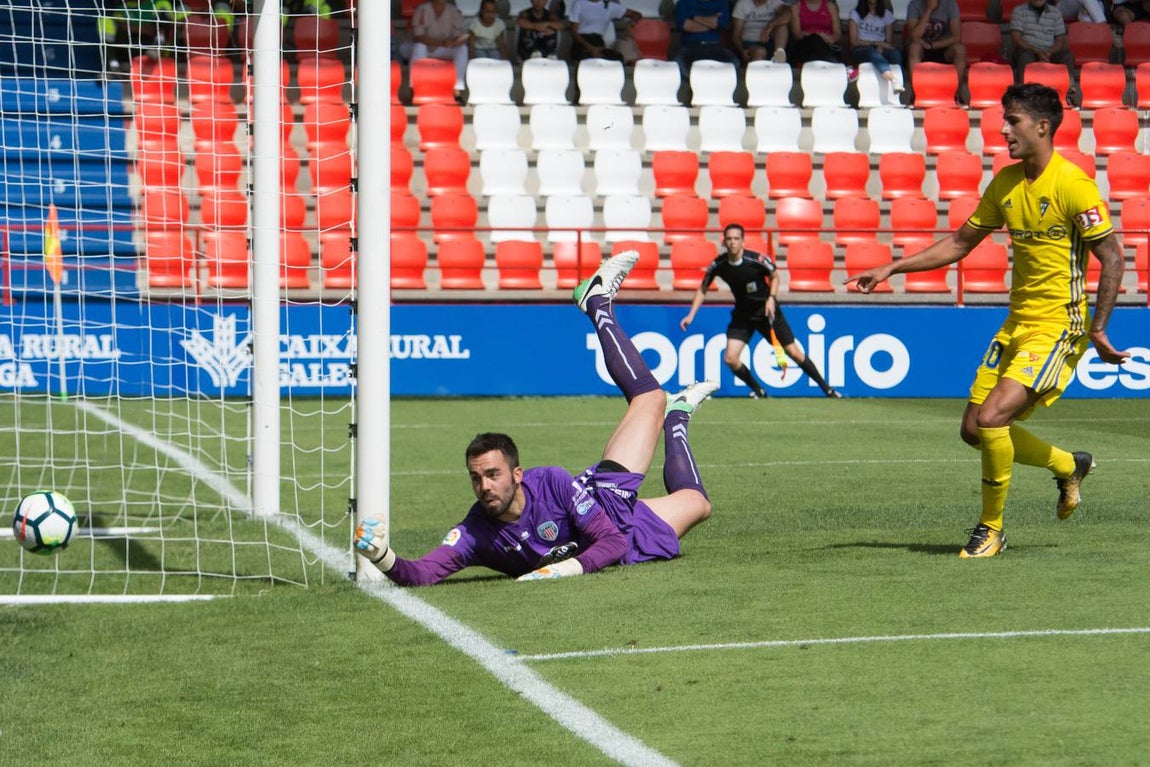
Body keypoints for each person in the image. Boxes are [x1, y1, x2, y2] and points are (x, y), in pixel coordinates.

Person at [846, 83, 1129, 558]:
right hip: (1016, 324)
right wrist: (892, 266)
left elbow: (1113, 258)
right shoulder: (1005, 183)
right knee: (975, 429)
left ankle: (991, 529)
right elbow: (959, 243)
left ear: (1042, 126)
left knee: (995, 416)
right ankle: (1068, 465)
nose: (1002, 129)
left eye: (1012, 121)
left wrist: (1098, 327)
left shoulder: (1074, 185)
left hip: (1059, 326)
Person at [354, 251, 721, 585]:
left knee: (648, 396)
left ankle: (597, 303)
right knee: (699, 504)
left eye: (493, 474)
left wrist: (561, 569)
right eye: (476, 477)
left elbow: (609, 540)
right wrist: (382, 557)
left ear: (517, 474)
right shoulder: (476, 533)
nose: (484, 486)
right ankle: (677, 419)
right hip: (625, 537)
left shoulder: (551, 482)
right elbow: (422, 572)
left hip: (607, 504)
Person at [679, 224, 841, 400]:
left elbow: (775, 277)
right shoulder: (719, 264)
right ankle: (760, 392)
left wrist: (771, 298)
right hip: (743, 315)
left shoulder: (756, 260)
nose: (732, 242)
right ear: (724, 241)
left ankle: (829, 390)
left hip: (767, 312)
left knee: (794, 353)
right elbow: (703, 289)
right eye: (729, 239)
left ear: (743, 241)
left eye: (736, 238)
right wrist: (691, 315)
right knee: (730, 359)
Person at [904, 0, 967, 105]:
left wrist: (932, 46)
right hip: (921, 48)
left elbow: (956, 37)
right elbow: (914, 35)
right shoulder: (914, 4)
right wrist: (929, 10)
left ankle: (956, 94)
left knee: (960, 49)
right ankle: (916, 94)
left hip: (943, 48)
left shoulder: (950, 4)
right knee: (914, 48)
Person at [408, 0, 470, 102]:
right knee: (419, 47)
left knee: (463, 49)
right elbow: (418, 37)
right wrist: (441, 43)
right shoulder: (422, 9)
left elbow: (458, 35)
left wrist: (455, 41)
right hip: (425, 48)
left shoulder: (452, 10)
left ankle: (456, 90)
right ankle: (414, 89)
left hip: (443, 48)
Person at [1010, 0, 1073, 86]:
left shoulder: (1056, 12)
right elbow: (1016, 38)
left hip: (1049, 51)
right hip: (1028, 49)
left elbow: (1060, 39)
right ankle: (1023, 90)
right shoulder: (1019, 11)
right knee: (1025, 56)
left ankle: (1069, 89)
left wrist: (1049, 52)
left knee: (1067, 56)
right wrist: (1036, 51)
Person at [673, 0, 741, 77]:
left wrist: (693, 17)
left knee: (734, 63)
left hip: (715, 46)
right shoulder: (683, 2)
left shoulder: (722, 2)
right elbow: (685, 25)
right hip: (691, 47)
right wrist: (713, 23)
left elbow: (722, 23)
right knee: (679, 65)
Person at [849, 0, 904, 92]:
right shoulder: (855, 14)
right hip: (861, 48)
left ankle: (899, 83)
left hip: (881, 47)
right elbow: (854, 41)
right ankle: (893, 79)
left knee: (895, 53)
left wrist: (882, 46)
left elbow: (889, 41)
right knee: (871, 51)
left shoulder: (887, 14)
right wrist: (876, 43)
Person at [568, 0, 640, 62]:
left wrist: (630, 26)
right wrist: (591, 48)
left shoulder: (608, 5)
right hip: (582, 42)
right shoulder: (579, 3)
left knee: (617, 59)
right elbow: (574, 32)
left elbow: (636, 15)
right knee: (587, 58)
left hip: (598, 41)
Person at [730, 0, 792, 64]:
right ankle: (759, 72)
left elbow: (788, 14)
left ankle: (779, 53)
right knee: (760, 51)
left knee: (782, 25)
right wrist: (742, 50)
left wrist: (771, 24)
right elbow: (736, 33)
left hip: (770, 41)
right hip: (749, 42)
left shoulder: (774, 2)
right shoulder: (742, 4)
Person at [787, 0, 845, 67]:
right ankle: (834, 65)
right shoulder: (796, 6)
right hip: (805, 44)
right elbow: (797, 34)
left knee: (817, 45)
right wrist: (815, 34)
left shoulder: (830, 6)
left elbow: (837, 34)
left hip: (826, 43)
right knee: (814, 39)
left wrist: (828, 38)